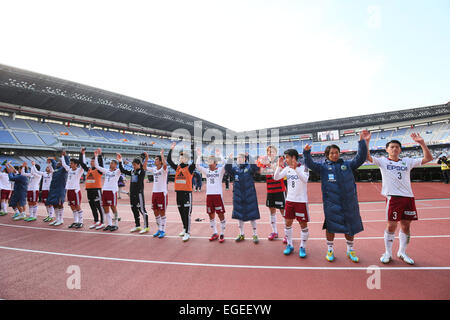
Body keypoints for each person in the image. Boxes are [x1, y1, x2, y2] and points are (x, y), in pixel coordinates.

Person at [303, 130, 371, 263]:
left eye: (336, 152)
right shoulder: (322, 167)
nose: (334, 155)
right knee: (330, 227)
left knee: (350, 227)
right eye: (331, 153)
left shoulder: (348, 165)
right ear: (327, 155)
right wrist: (306, 153)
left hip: (349, 203)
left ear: (339, 153)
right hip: (331, 204)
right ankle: (330, 250)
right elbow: (310, 164)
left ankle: (350, 250)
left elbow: (361, 158)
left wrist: (362, 142)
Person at [367, 133, 433, 265]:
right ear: (387, 149)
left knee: (406, 226)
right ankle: (388, 253)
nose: (394, 149)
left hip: (408, 197)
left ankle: (402, 252)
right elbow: (367, 157)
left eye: (397, 147)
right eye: (392, 147)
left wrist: (422, 143)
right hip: (393, 198)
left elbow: (428, 158)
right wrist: (366, 142)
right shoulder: (383, 161)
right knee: (391, 225)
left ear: (400, 150)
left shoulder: (407, 161)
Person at [273, 149, 310, 257]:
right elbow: (276, 177)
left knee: (303, 225)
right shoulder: (287, 169)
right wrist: (279, 166)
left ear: (293, 157)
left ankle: (303, 247)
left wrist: (296, 169)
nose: (285, 160)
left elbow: (305, 179)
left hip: (301, 201)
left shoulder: (304, 167)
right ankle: (289, 245)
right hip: (289, 200)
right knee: (287, 223)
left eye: (287, 157)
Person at [225, 152, 261, 244]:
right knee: (239, 216)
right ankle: (241, 234)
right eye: (238, 158)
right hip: (238, 196)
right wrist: (229, 159)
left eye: (241, 158)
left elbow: (255, 168)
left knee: (252, 216)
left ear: (245, 159)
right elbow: (227, 168)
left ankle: (255, 234)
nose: (239, 159)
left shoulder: (249, 168)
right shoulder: (234, 169)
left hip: (250, 195)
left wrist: (250, 156)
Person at [196, 148, 227, 243]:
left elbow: (226, 164)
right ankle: (215, 233)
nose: (209, 163)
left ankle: (222, 233)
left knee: (220, 214)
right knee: (210, 214)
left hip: (217, 196)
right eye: (208, 161)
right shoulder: (206, 171)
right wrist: (199, 156)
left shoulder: (220, 170)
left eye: (211, 162)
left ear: (215, 163)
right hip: (209, 196)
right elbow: (197, 165)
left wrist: (220, 154)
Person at [167, 142, 196, 242]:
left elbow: (196, 161)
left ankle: (188, 232)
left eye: (183, 157)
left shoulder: (190, 168)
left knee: (186, 213)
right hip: (178, 193)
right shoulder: (178, 168)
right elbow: (169, 161)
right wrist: (171, 149)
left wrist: (194, 149)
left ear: (186, 159)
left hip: (186, 193)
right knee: (181, 212)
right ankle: (184, 228)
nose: (180, 158)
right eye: (180, 157)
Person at [257, 145, 286, 241]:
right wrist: (272, 168)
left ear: (275, 152)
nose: (270, 153)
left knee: (283, 212)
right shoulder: (265, 162)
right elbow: (262, 172)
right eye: (269, 151)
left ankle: (287, 234)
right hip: (270, 190)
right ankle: (274, 232)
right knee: (272, 212)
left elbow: (280, 172)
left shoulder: (280, 161)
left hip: (279, 190)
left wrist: (270, 167)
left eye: (272, 151)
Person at [117, 152, 150, 234]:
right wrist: (120, 161)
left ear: (139, 164)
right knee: (134, 209)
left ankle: (146, 227)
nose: (133, 166)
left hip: (139, 194)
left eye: (135, 165)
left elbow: (144, 166)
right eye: (133, 165)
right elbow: (122, 170)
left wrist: (146, 158)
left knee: (142, 210)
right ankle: (138, 225)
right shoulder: (132, 172)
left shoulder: (141, 172)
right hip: (132, 194)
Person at [79, 148, 106, 229]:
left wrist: (99, 155)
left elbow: (101, 164)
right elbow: (82, 163)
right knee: (92, 207)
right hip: (89, 190)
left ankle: (102, 222)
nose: (91, 162)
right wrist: (82, 153)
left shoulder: (99, 170)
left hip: (96, 190)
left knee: (99, 206)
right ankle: (96, 221)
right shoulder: (89, 170)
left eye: (93, 161)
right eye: (91, 161)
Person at [95, 151, 121, 232]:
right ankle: (109, 224)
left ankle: (116, 224)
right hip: (105, 191)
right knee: (105, 207)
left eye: (112, 163)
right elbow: (97, 166)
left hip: (112, 191)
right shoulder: (107, 171)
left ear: (116, 165)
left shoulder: (117, 171)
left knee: (113, 207)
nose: (111, 164)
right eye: (110, 163)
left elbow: (122, 168)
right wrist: (96, 156)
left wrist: (120, 160)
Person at [146, 150, 169, 238]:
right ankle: (159, 229)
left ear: (160, 161)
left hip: (162, 193)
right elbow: (144, 167)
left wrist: (162, 155)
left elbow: (165, 165)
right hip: (154, 193)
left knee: (162, 212)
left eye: (156, 159)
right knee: (155, 211)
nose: (155, 161)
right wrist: (147, 158)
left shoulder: (164, 170)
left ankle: (163, 230)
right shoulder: (154, 169)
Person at [61, 155, 85, 229]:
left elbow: (83, 164)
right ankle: (75, 221)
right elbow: (64, 164)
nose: (70, 164)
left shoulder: (79, 170)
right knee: (72, 206)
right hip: (69, 190)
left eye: (71, 163)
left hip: (75, 191)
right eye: (70, 163)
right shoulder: (69, 170)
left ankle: (81, 222)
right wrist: (62, 156)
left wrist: (82, 154)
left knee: (77, 206)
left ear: (75, 164)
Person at [46, 152, 70, 226]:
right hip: (53, 188)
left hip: (60, 189)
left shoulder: (64, 169)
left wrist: (64, 155)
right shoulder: (56, 169)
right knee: (54, 203)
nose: (58, 163)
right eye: (58, 162)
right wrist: (50, 159)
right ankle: (56, 219)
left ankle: (61, 219)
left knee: (59, 204)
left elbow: (67, 162)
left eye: (60, 162)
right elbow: (53, 162)